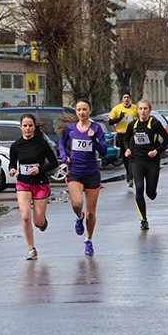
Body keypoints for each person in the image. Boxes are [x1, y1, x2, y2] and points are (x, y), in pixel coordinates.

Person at [58, 98, 107, 256]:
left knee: (91, 213)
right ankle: (79, 218)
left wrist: (94, 139)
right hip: (75, 172)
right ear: (76, 111)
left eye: (84, 109)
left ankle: (88, 240)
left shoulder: (96, 128)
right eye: (79, 110)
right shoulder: (71, 128)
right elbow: (61, 143)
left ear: (90, 111)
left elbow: (104, 150)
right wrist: (64, 155)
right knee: (77, 204)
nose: (81, 112)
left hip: (91, 173)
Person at [9, 114, 58, 260]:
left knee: (38, 222)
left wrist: (40, 169)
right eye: (25, 125)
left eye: (30, 125)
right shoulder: (15, 146)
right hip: (23, 183)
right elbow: (13, 163)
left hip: (40, 184)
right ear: (21, 128)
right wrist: (12, 169)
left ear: (34, 127)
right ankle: (31, 249)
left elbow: (54, 162)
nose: (28, 128)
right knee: (25, 216)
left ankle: (43, 221)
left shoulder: (41, 144)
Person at [123, 99, 168, 230]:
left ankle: (152, 192)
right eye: (140, 109)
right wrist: (127, 149)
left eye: (145, 109)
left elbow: (166, 140)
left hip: (152, 162)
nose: (143, 111)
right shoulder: (132, 125)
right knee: (138, 188)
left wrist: (156, 151)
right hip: (137, 161)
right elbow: (126, 139)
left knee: (150, 194)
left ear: (149, 110)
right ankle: (143, 220)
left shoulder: (154, 124)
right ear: (137, 110)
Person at [108, 90, 138, 188]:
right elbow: (110, 122)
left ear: (130, 99)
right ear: (122, 99)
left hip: (132, 135)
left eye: (128, 97)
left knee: (132, 155)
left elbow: (140, 119)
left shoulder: (135, 108)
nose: (126, 99)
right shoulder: (117, 109)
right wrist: (119, 118)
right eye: (124, 97)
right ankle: (128, 174)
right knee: (125, 156)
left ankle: (131, 175)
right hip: (121, 134)